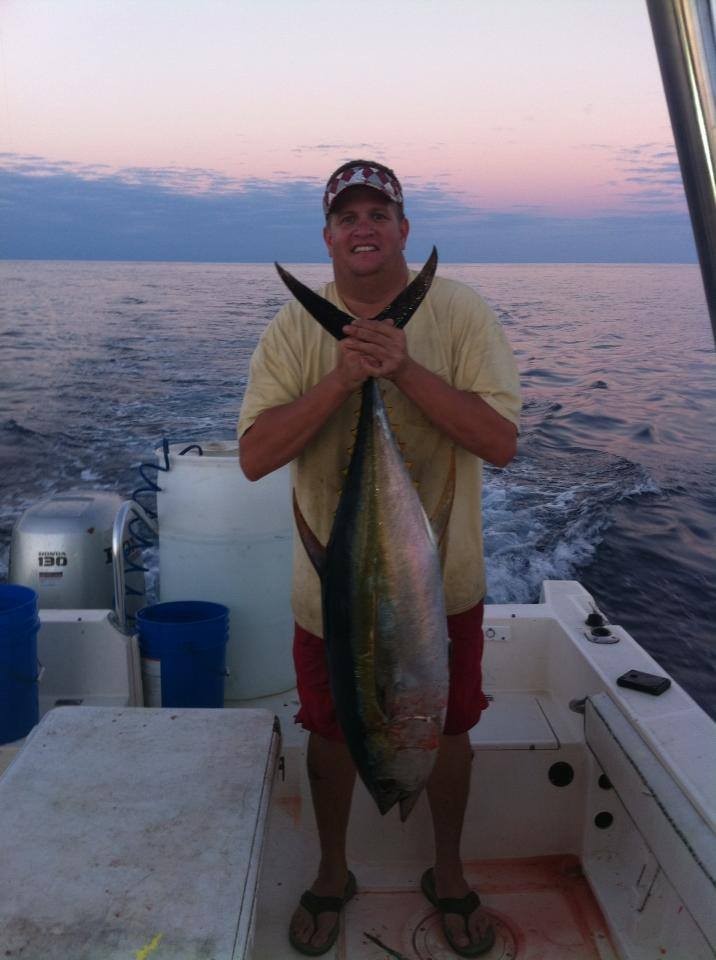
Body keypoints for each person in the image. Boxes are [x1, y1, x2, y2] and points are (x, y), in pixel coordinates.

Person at [238, 160, 520, 957]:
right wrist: (342, 380)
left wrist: (403, 367)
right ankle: (333, 871)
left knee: (452, 725)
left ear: (402, 229)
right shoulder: (294, 331)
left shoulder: (460, 313)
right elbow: (255, 457)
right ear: (328, 237)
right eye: (347, 217)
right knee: (329, 733)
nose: (363, 227)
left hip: (441, 587)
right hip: (329, 596)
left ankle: (450, 872)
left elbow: (500, 443)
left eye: (378, 214)